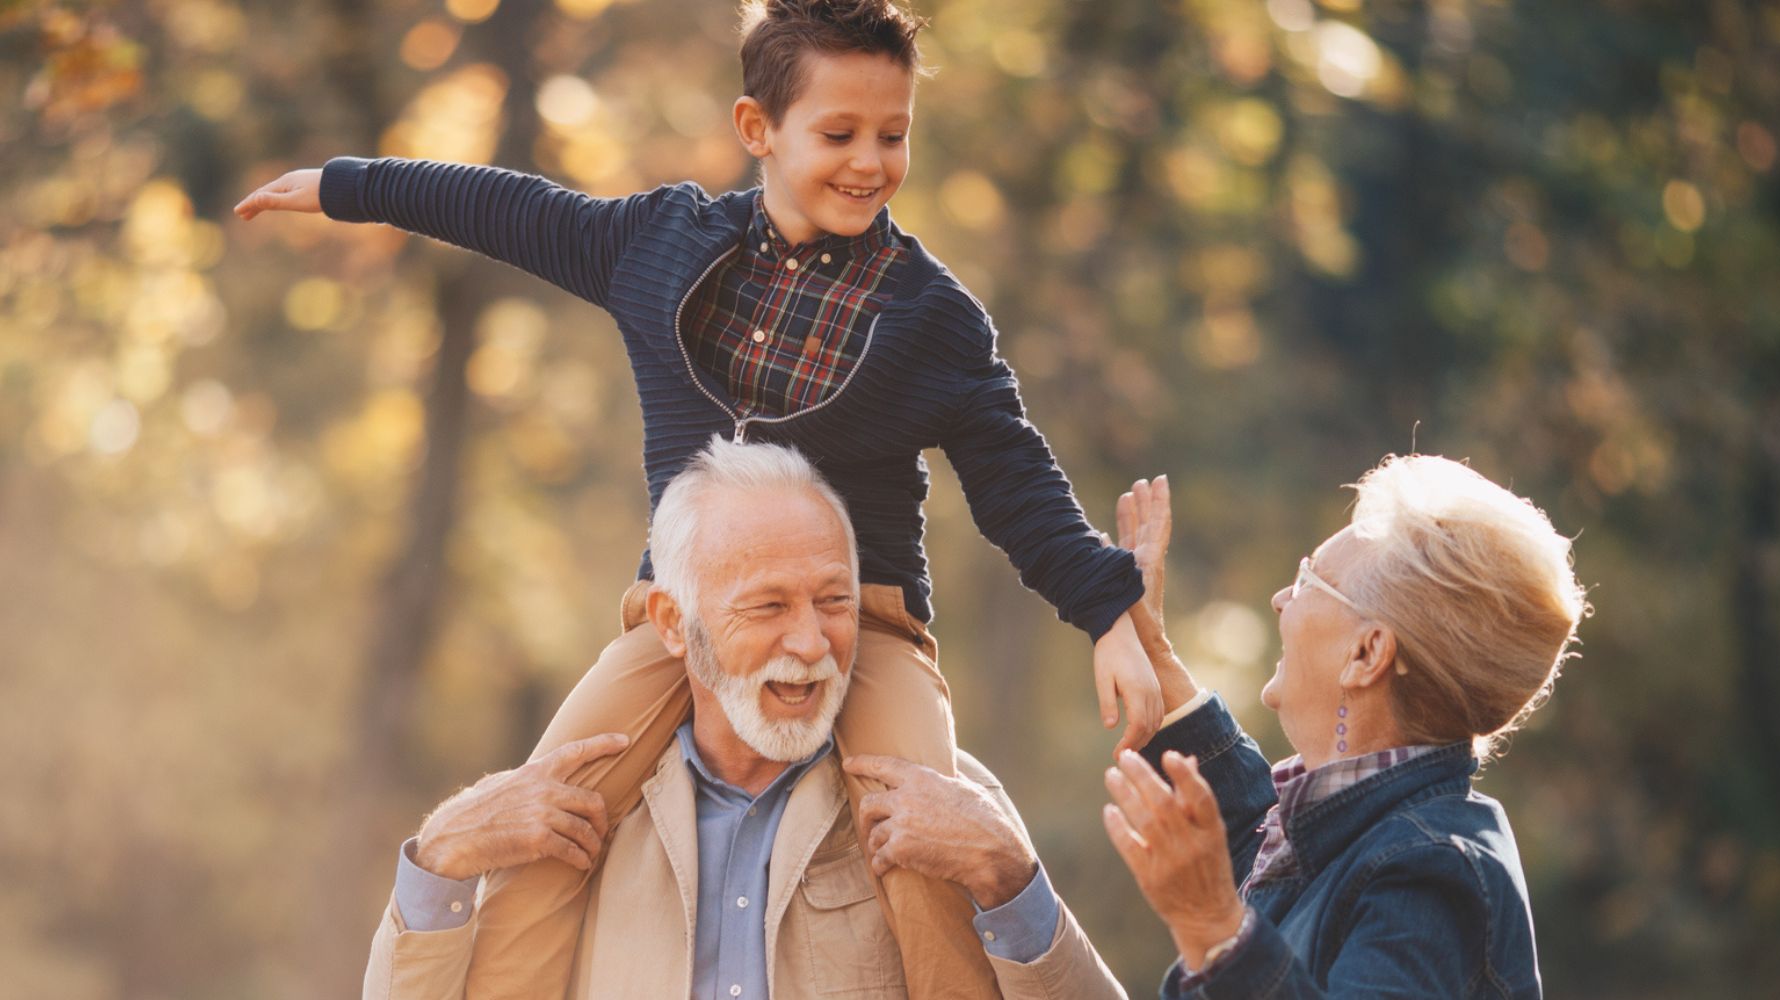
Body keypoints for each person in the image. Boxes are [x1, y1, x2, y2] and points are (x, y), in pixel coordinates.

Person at [235, 2, 1162, 996]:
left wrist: (1107, 610)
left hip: (868, 626)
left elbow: (1014, 475)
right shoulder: (662, 245)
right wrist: (347, 186)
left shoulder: (928, 317)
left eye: (893, 135)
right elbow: (508, 208)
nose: (870, 162)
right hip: (681, 618)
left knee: (920, 825)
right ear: (757, 129)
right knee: (550, 808)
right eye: (837, 134)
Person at [363, 439, 1125, 999]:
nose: (810, 641)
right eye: (767, 606)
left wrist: (1012, 882)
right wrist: (440, 856)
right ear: (671, 621)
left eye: (834, 602)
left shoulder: (944, 801)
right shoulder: (582, 818)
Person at [1100, 456, 1589, 998]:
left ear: (1367, 653)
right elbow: (1250, 844)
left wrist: (1215, 933)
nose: (1281, 599)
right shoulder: (1359, 833)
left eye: (1307, 579)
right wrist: (1151, 646)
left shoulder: (1432, 874)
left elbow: (1241, 905)